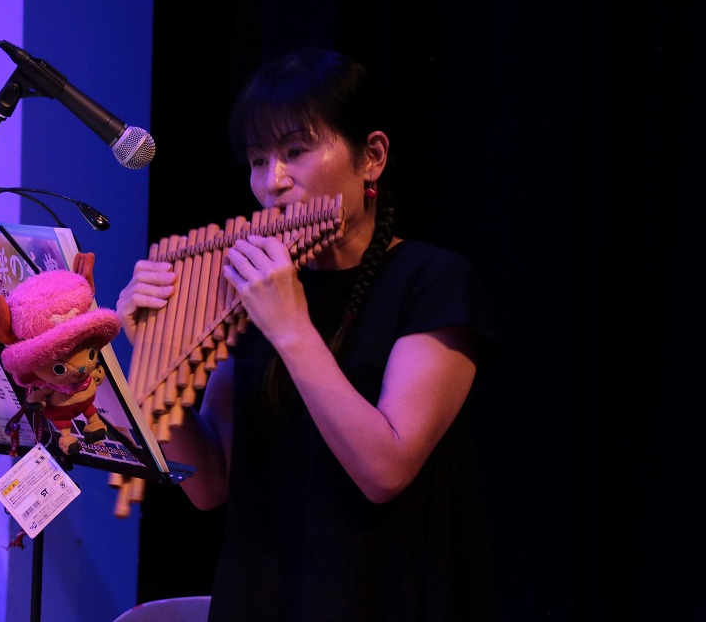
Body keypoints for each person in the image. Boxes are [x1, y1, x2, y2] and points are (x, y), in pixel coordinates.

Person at [116, 47, 498, 621]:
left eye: (296, 151)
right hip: (261, 599)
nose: (274, 181)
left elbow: (385, 471)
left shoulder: (433, 281)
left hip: (383, 598)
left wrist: (290, 327)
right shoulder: (245, 294)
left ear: (372, 157)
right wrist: (148, 351)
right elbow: (209, 483)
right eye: (258, 159)